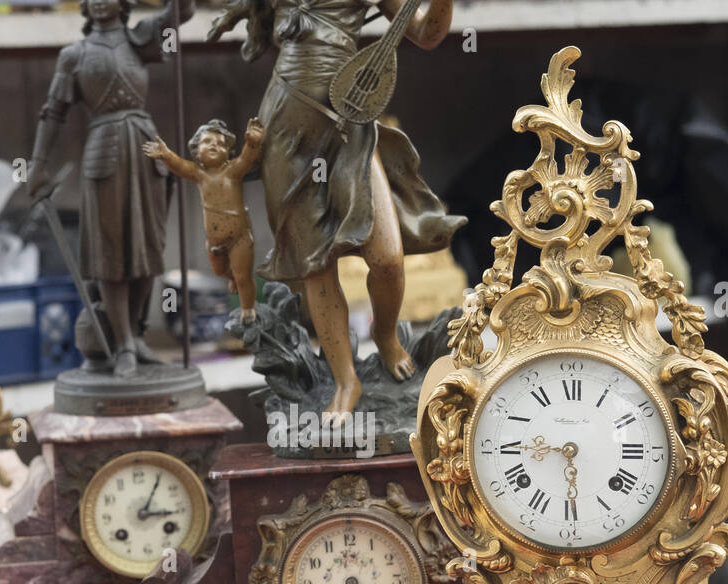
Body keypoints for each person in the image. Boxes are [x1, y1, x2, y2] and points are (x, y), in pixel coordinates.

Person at [210, 0, 465, 416]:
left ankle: (384, 336)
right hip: (286, 127)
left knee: (386, 258)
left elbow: (425, 33)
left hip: (351, 120)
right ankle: (346, 380)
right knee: (315, 262)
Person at [28, 0, 196, 377]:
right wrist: (38, 166)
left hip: (147, 147)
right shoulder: (74, 55)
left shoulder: (142, 40)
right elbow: (53, 112)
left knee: (149, 248)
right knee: (111, 252)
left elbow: (180, 14)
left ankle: (136, 334)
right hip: (104, 151)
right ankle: (122, 345)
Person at [143, 118, 263, 323]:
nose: (214, 145)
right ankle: (231, 276)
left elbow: (247, 159)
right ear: (197, 151)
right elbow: (180, 166)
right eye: (207, 142)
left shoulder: (233, 171)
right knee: (219, 271)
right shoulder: (199, 174)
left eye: (220, 143)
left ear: (228, 152)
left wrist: (252, 143)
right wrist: (166, 155)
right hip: (214, 241)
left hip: (240, 238)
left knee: (244, 277)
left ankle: (248, 309)